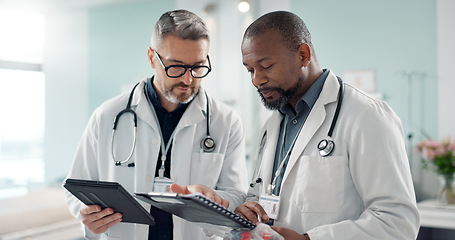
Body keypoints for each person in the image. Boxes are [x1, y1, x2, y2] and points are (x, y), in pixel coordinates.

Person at [234, 11, 420, 240]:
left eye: (266, 66)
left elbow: (397, 223)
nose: (256, 80)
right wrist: (249, 208)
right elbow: (262, 194)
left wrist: (308, 239)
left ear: (303, 55)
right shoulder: (272, 125)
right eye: (250, 70)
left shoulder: (366, 115)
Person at [65, 9, 248, 240]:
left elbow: (237, 194)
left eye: (197, 67)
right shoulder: (107, 115)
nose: (187, 79)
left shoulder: (226, 121)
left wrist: (215, 199)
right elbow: (77, 186)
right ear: (152, 57)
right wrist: (86, 215)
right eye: (176, 66)